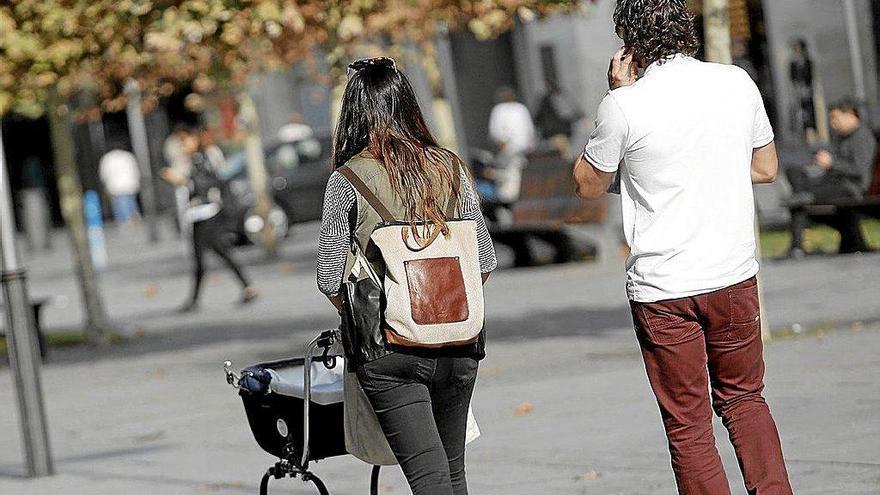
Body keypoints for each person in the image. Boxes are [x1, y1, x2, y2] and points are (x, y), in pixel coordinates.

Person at [573, 1, 793, 494]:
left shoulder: (624, 104)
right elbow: (765, 168)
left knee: (688, 424)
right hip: (732, 273)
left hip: (664, 288)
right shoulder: (736, 82)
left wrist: (616, 94)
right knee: (745, 399)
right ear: (687, 29)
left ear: (630, 43)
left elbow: (587, 184)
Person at [317, 57, 496, 495]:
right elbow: (485, 259)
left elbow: (329, 276)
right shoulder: (451, 168)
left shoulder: (347, 180)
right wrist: (444, 309)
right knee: (452, 474)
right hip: (460, 343)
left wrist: (376, 317)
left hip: (390, 352)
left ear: (354, 112)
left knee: (428, 479)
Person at [160, 128, 258, 312]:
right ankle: (246, 287)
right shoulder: (193, 160)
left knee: (204, 256)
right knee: (217, 252)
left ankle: (196, 300)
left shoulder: (201, 159)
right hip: (200, 214)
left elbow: (206, 184)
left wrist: (182, 181)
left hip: (206, 214)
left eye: (186, 141)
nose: (183, 146)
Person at [787, 98, 878, 256]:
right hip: (838, 184)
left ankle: (797, 246)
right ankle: (799, 245)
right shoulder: (841, 137)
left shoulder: (862, 137)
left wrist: (832, 163)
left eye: (835, 118)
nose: (833, 123)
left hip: (853, 188)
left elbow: (860, 171)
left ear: (850, 115)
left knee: (803, 198)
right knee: (797, 180)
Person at [486, 86, 536, 224]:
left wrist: (503, 146)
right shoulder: (521, 108)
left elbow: (495, 133)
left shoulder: (500, 110)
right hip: (521, 151)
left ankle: (512, 214)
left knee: (508, 185)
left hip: (511, 152)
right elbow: (530, 131)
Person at [98, 146, 141, 226]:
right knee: (129, 201)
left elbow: (104, 173)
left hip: (116, 185)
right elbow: (135, 170)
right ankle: (132, 216)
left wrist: (105, 184)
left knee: (120, 203)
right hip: (130, 183)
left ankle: (125, 220)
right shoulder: (128, 156)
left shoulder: (107, 158)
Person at [789, 39, 817, 144]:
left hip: (807, 89)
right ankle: (802, 134)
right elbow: (791, 77)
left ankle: (811, 132)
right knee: (799, 113)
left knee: (809, 111)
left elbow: (811, 75)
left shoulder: (808, 61)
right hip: (798, 90)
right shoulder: (793, 63)